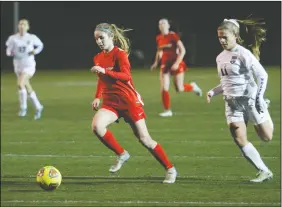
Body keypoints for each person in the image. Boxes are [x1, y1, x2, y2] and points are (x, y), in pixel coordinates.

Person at [90, 23, 177, 184]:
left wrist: (105, 71)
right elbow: (101, 80)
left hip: (128, 101)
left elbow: (126, 76)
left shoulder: (120, 54)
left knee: (145, 139)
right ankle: (122, 154)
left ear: (111, 37)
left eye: (101, 38)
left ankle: (170, 169)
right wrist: (97, 96)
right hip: (111, 102)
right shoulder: (98, 57)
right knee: (97, 126)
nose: (99, 41)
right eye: (96, 39)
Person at [207, 18, 274, 182]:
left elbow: (262, 75)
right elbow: (227, 83)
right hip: (231, 104)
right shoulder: (220, 57)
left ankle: (264, 105)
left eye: (225, 37)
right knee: (239, 138)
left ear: (235, 36)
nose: (222, 40)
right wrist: (212, 92)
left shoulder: (243, 54)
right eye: (219, 37)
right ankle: (264, 170)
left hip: (250, 100)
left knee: (266, 137)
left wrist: (259, 97)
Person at [151, 18, 202, 117]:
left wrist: (177, 63)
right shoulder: (158, 38)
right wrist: (156, 62)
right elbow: (159, 51)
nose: (162, 25)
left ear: (168, 25)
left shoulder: (173, 36)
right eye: (160, 23)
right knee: (164, 88)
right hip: (165, 65)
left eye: (164, 23)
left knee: (180, 88)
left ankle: (192, 87)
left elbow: (182, 50)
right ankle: (167, 111)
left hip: (176, 64)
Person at [5, 19, 44, 120]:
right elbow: (8, 50)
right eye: (21, 24)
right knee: (27, 86)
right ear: (18, 26)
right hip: (18, 66)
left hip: (29, 65)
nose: (22, 26)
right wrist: (10, 53)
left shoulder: (31, 37)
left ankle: (23, 108)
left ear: (28, 27)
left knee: (20, 84)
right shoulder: (13, 38)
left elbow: (40, 45)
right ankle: (38, 106)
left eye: (24, 24)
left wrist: (35, 51)